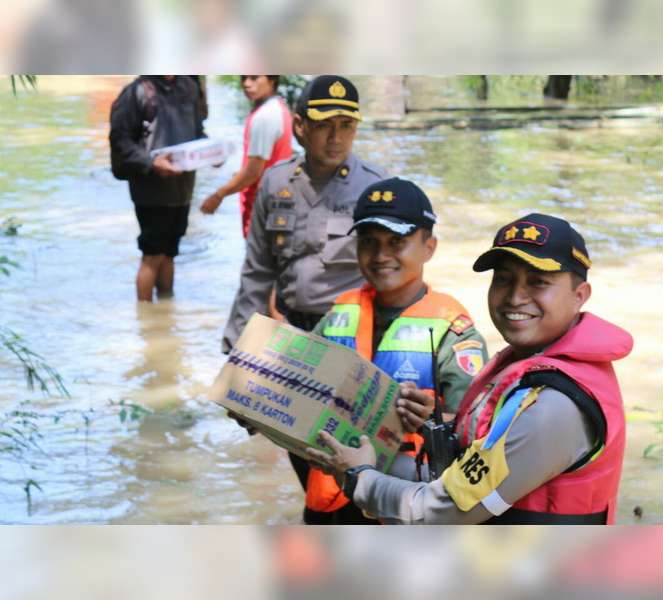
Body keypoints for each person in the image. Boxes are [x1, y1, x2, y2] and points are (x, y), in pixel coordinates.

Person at [308, 212, 634, 524]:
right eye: (504, 280)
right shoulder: (526, 364)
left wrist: (359, 478)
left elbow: (441, 512)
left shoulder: (554, 405)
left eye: (538, 282)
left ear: (580, 296)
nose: (515, 297)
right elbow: (461, 475)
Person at [222, 75, 386, 524]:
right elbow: (257, 271)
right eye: (324, 125)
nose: (336, 137)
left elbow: (393, 276)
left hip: (354, 343)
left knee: (353, 470)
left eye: (346, 125)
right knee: (307, 462)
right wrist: (239, 356)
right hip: (292, 340)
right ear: (299, 126)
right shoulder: (276, 184)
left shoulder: (373, 189)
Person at [304, 177, 488, 524]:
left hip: (403, 503)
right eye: (369, 242)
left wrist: (436, 421)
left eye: (396, 242)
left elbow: (483, 436)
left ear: (429, 247)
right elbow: (296, 386)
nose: (380, 256)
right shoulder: (338, 316)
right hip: (333, 500)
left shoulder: (454, 332)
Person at [109, 75, 206, 302]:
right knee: (152, 255)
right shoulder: (137, 93)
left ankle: (165, 316)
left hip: (183, 189)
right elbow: (120, 140)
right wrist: (151, 163)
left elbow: (198, 131)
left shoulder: (189, 87)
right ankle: (145, 321)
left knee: (170, 253)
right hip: (151, 192)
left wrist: (211, 152)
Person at [200, 75, 293, 238]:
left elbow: (252, 172)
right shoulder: (279, 107)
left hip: (261, 208)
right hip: (277, 203)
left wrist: (218, 195)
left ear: (272, 80)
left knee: (258, 260)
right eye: (244, 78)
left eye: (255, 78)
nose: (247, 84)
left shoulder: (264, 116)